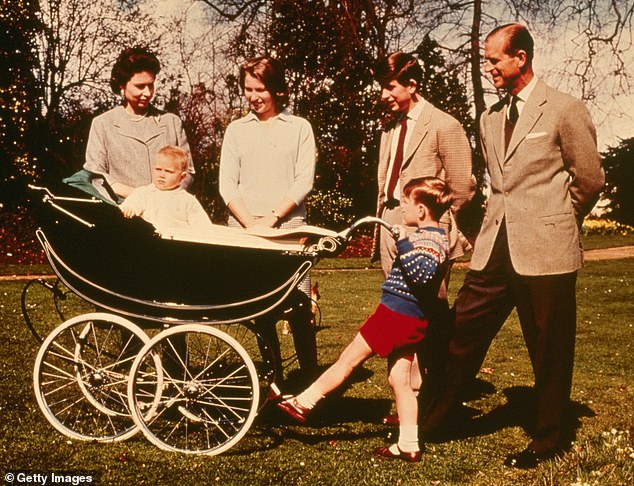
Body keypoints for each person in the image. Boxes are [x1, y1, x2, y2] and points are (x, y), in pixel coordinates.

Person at [421, 23, 605, 469]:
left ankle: (548, 438)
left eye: (494, 60)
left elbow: (590, 180)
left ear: (521, 58)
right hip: (494, 247)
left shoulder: (564, 109)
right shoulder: (489, 119)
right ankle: (429, 424)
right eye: (486, 61)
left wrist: (557, 220)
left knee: (549, 345)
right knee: (461, 330)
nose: (489, 69)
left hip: (547, 249)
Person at [274, 177, 452, 463]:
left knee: (347, 361)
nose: (401, 208)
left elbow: (422, 274)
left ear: (421, 210)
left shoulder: (430, 240)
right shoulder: (431, 236)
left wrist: (404, 243)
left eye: (405, 203)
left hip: (395, 316)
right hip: (408, 319)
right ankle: (409, 443)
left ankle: (302, 402)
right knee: (400, 381)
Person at [371, 50, 474, 424]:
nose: (383, 94)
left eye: (390, 86)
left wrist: (435, 229)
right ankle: (405, 397)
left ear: (412, 85)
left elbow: (462, 186)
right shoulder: (389, 127)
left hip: (426, 235)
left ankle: (438, 395)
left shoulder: (444, 125)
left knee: (430, 313)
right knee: (398, 311)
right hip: (390, 227)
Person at [219, 56, 318, 383]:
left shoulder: (299, 128)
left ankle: (309, 380)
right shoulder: (236, 130)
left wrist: (273, 219)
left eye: (260, 88)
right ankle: (274, 380)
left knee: (300, 308)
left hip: (289, 230)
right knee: (259, 310)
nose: (253, 96)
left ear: (276, 89)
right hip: (247, 232)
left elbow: (304, 181)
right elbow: (226, 185)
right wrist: (251, 225)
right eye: (248, 89)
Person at [84, 47, 194, 199]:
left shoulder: (172, 123)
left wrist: (168, 198)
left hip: (168, 210)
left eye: (151, 85)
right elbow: (97, 176)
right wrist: (141, 197)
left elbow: (188, 170)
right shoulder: (102, 124)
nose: (148, 93)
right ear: (122, 85)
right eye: (140, 86)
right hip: (122, 212)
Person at [120, 145, 212, 231]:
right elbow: (129, 206)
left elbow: (203, 228)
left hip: (177, 243)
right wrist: (129, 209)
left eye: (169, 171)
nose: (162, 175)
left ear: (182, 177)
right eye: (158, 169)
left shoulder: (188, 201)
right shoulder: (143, 193)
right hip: (150, 241)